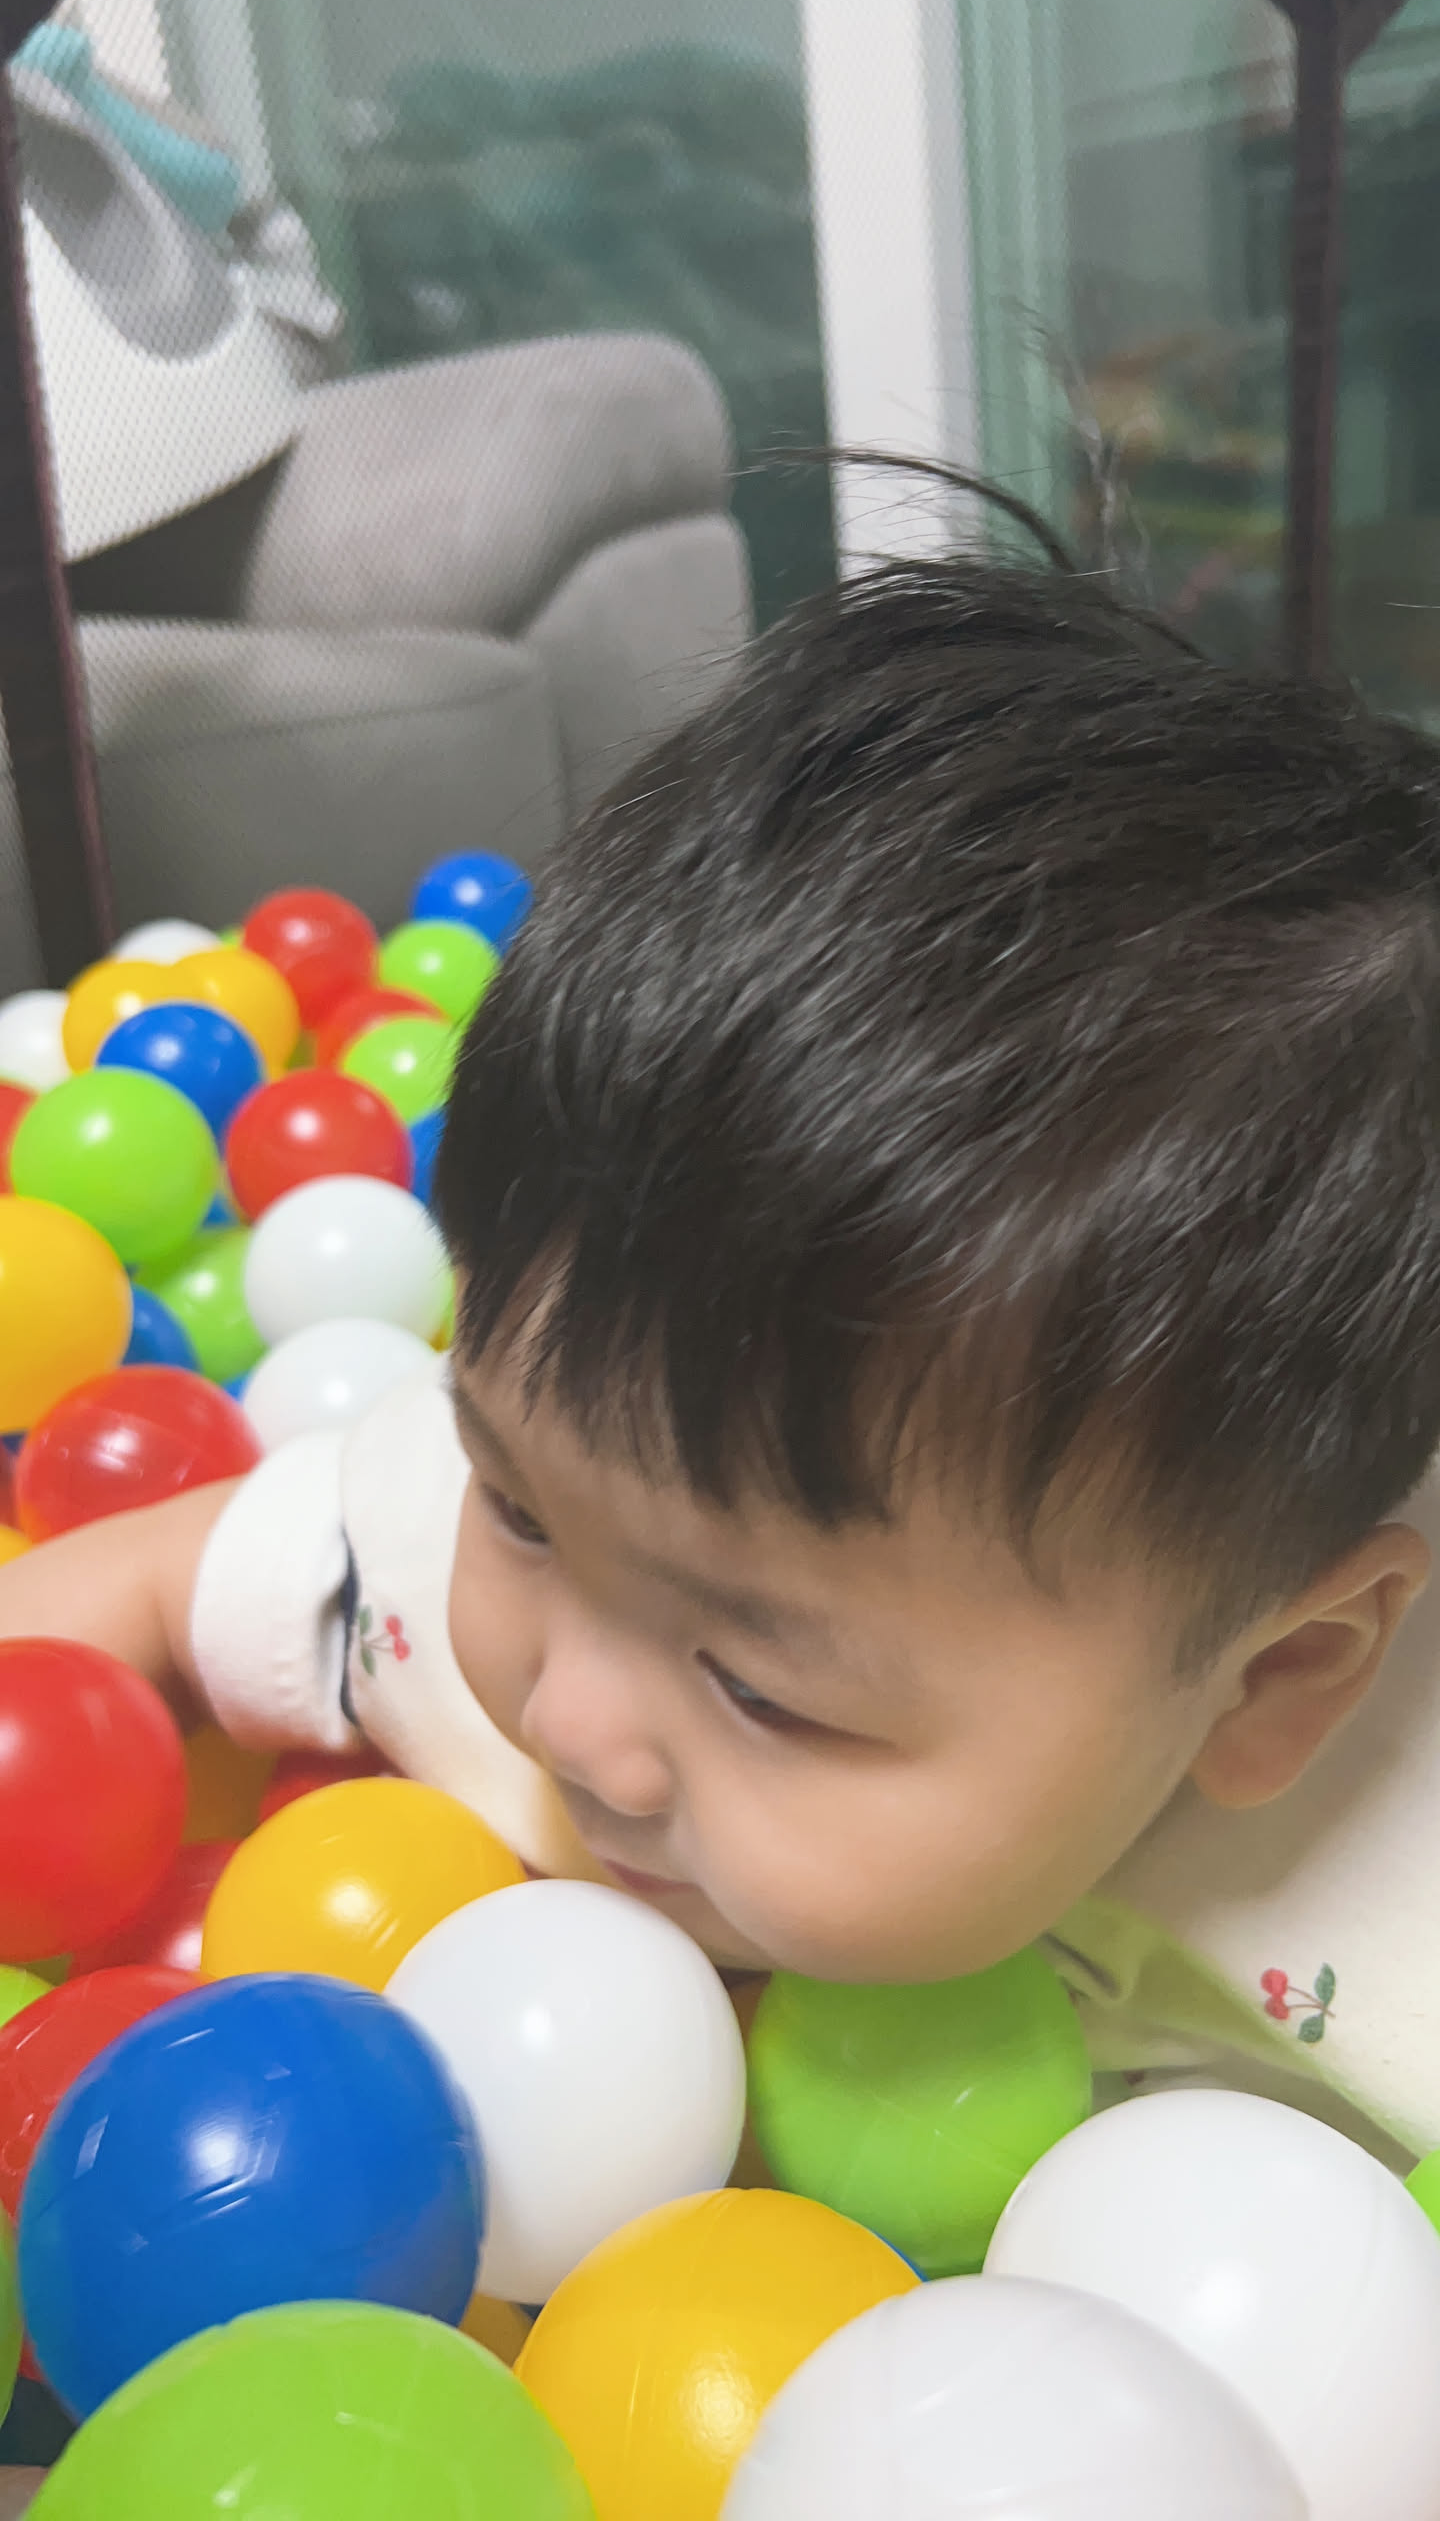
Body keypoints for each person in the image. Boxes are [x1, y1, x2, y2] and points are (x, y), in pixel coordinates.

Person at [8, 480, 1440, 2170]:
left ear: (1273, 1679)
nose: (571, 1724)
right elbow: (156, 1583)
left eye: (765, 1690)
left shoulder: (1392, 1929)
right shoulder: (596, 1515)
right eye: (520, 1511)